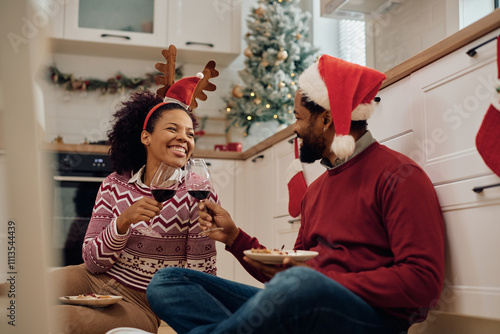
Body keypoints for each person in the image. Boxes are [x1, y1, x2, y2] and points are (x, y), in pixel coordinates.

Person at [146, 55, 445, 334]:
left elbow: (423, 282)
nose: (295, 128)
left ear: (326, 119)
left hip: (370, 318)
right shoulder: (316, 190)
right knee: (168, 282)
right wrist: (236, 239)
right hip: (304, 303)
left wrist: (319, 279)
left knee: (301, 283)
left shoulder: (398, 175)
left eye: (299, 118)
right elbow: (286, 274)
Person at [49, 53, 221, 334]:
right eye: (172, 128)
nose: (184, 138)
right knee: (22, 297)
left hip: (142, 304)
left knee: (62, 320)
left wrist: (205, 233)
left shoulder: (197, 191)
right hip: (94, 279)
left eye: (190, 134)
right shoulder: (115, 184)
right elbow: (92, 260)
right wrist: (121, 223)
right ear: (146, 137)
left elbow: (199, 278)